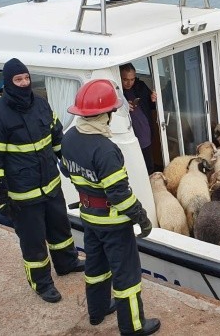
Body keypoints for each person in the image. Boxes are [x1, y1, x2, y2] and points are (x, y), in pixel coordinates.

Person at [61, 79, 161, 335]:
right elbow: (119, 194)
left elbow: (68, 171)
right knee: (126, 275)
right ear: (103, 115)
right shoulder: (106, 149)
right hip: (114, 223)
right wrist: (141, 216)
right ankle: (133, 326)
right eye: (111, 112)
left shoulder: (69, 138)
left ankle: (97, 311)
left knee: (95, 266)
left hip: (89, 217)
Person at [0, 58, 84, 303]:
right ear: (8, 83)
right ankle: (41, 283)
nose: (24, 83)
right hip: (23, 195)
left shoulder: (41, 104)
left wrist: (68, 164)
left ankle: (67, 262)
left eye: (26, 78)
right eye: (18, 80)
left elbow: (57, 137)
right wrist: (0, 197)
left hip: (51, 185)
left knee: (61, 230)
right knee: (33, 242)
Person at [119, 63, 157, 174]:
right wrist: (123, 107)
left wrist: (153, 99)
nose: (129, 83)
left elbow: (151, 106)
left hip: (145, 134)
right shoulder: (116, 93)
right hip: (129, 138)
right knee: (135, 170)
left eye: (132, 79)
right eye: (125, 79)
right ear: (119, 77)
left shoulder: (141, 86)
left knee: (149, 167)